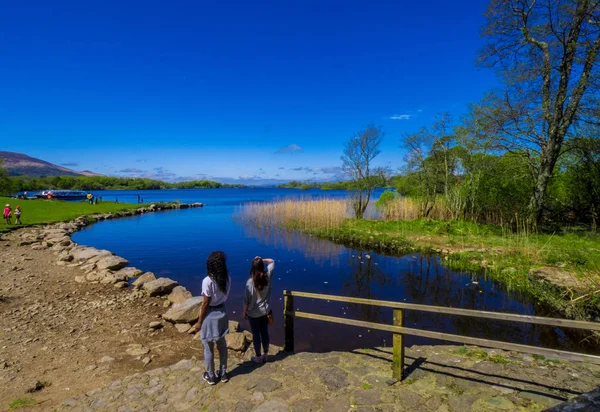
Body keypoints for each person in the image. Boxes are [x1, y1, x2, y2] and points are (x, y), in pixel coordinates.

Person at [193, 251, 231, 385]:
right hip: (222, 312)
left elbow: (205, 302)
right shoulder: (227, 277)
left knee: (208, 347)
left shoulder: (207, 281)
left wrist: (199, 322)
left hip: (210, 315)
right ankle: (223, 373)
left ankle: (210, 376)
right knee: (222, 344)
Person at [243, 256, 275, 363]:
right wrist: (262, 259)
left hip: (253, 314)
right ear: (262, 267)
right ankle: (265, 354)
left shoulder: (249, 283)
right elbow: (272, 261)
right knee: (264, 332)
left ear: (252, 268)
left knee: (256, 335)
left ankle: (258, 357)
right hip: (265, 312)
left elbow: (246, 300)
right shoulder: (268, 277)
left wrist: (244, 313)